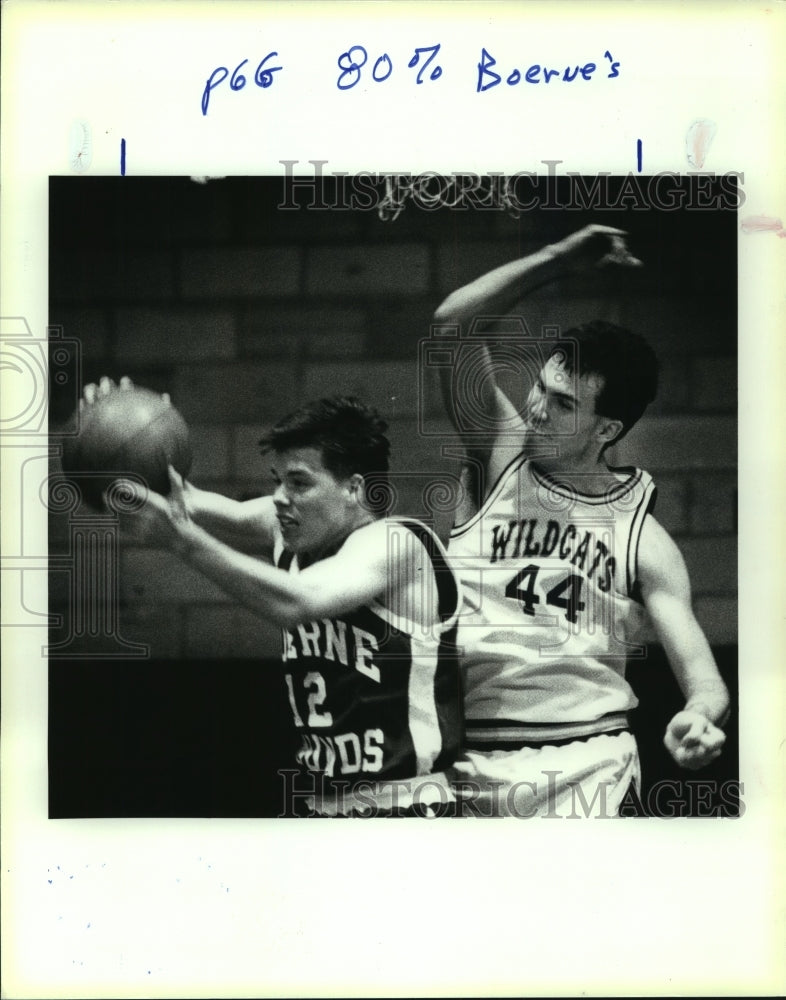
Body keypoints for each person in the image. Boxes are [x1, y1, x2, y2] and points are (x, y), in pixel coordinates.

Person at [431, 224, 730, 818]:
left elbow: (706, 679)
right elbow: (450, 325)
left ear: (607, 429)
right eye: (541, 388)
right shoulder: (501, 451)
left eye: (564, 404)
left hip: (588, 764)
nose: (538, 409)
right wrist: (557, 258)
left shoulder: (643, 539)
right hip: (473, 762)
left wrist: (699, 717)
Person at [86, 382, 462, 818]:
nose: (281, 497)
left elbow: (298, 601)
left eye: (299, 482)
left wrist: (183, 543)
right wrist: (118, 430)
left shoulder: (396, 544)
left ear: (354, 489)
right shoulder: (286, 529)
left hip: (406, 806)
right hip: (321, 806)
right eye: (278, 481)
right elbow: (179, 500)